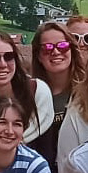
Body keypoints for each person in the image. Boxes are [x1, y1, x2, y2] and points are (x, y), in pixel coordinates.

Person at [30, 19, 82, 163]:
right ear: (38, 55)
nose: (56, 52)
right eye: (47, 48)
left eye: (63, 46)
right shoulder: (30, 95)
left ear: (72, 50)